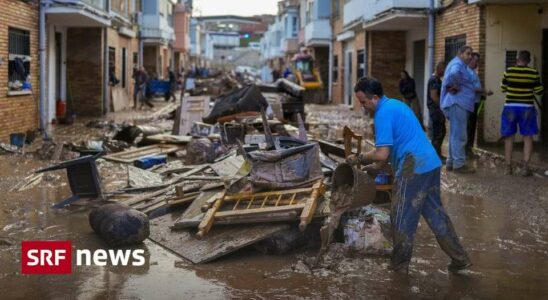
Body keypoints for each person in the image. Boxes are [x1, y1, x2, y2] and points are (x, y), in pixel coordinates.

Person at [348, 77, 471, 274]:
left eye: (363, 102)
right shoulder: (396, 104)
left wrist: (359, 157)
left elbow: (381, 153)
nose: (363, 107)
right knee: (436, 214)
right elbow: (385, 155)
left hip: (413, 167)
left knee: (401, 216)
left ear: (375, 98)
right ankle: (460, 258)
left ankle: (399, 266)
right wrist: (374, 167)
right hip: (430, 164)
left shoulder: (382, 115)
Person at [500, 50, 544, 176]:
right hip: (527, 108)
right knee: (527, 137)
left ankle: (508, 167)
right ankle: (525, 167)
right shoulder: (533, 73)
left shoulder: (508, 71)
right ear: (528, 61)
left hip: (510, 107)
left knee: (509, 137)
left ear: (517, 59)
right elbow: (539, 91)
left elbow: (503, 88)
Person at [441, 45, 476, 173]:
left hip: (456, 104)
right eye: (468, 54)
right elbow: (455, 74)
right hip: (457, 103)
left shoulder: (457, 64)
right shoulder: (458, 64)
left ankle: (451, 162)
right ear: (460, 54)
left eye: (471, 54)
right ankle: (459, 164)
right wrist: (454, 85)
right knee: (460, 135)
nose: (470, 56)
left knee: (454, 134)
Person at [466, 53, 493, 157]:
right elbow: (471, 88)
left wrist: (482, 94)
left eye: (478, 61)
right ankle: (466, 151)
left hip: (475, 102)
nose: (477, 63)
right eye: (475, 61)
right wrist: (484, 91)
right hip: (469, 104)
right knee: (469, 128)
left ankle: (469, 149)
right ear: (470, 60)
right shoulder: (467, 72)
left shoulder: (473, 72)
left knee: (472, 127)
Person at [427, 61, 446, 160]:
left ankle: (437, 155)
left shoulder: (437, 79)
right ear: (439, 69)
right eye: (443, 70)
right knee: (438, 133)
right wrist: (442, 106)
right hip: (436, 110)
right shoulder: (434, 80)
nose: (444, 72)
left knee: (441, 132)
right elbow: (434, 96)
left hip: (436, 110)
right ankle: (435, 157)